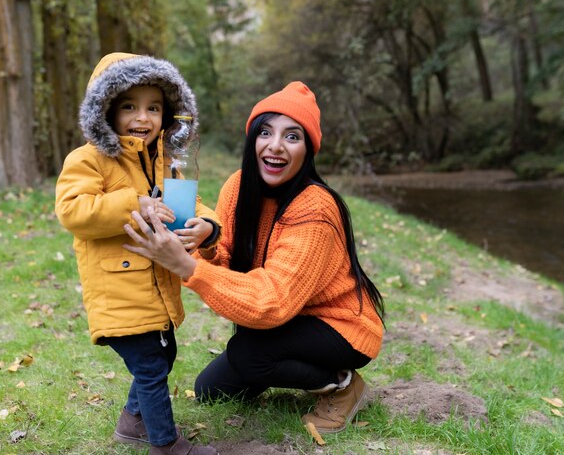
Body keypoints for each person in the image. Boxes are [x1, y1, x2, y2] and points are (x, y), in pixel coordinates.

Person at [123, 81, 385, 435]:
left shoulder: (316, 207)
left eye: (292, 136)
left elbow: (273, 301)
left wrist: (187, 266)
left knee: (249, 353)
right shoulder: (239, 185)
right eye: (266, 132)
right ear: (253, 140)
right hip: (283, 324)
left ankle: (341, 384)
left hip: (338, 326)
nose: (275, 146)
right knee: (211, 391)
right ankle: (275, 360)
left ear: (308, 149)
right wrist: (209, 241)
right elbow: (227, 259)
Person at [55, 52, 220, 455]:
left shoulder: (165, 161)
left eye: (153, 108)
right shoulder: (89, 159)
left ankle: (132, 422)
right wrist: (135, 203)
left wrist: (208, 225)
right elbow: (73, 210)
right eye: (129, 106)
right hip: (120, 290)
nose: (142, 118)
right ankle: (166, 445)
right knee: (150, 368)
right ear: (106, 109)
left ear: (168, 114)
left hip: (157, 287)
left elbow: (190, 205)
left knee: (163, 357)